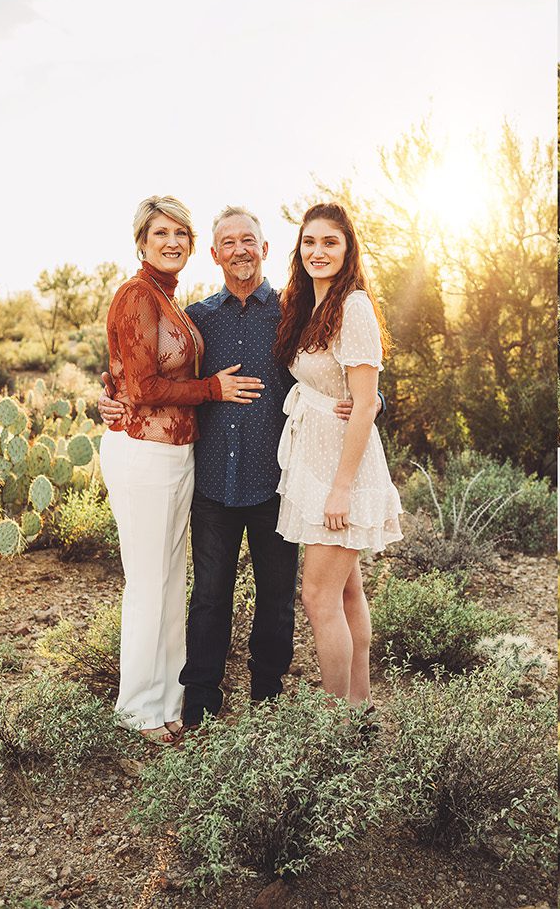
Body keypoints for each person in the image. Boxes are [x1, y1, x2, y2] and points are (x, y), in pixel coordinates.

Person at [100, 195, 262, 743]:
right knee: (148, 584)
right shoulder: (135, 295)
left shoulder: (171, 302)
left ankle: (168, 700)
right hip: (143, 453)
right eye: (160, 233)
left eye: (181, 234)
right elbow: (143, 388)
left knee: (171, 584)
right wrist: (213, 389)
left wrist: (111, 388)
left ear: (194, 246)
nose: (171, 242)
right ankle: (136, 708)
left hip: (176, 455)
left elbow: (123, 373)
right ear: (142, 242)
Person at [273, 202, 403, 704]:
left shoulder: (354, 306)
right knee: (347, 591)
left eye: (330, 242)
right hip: (315, 461)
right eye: (309, 242)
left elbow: (366, 401)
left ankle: (336, 722)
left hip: (343, 473)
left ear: (348, 249)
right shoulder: (305, 306)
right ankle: (359, 708)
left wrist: (341, 489)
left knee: (317, 596)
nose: (318, 251)